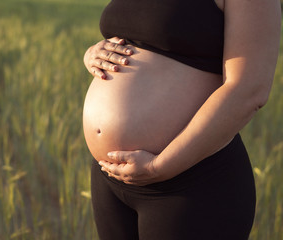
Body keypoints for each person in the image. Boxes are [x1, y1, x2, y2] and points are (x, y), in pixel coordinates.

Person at [82, 0, 281, 239]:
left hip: (190, 184)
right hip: (109, 177)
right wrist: (93, 53)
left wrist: (160, 167)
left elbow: (249, 89)